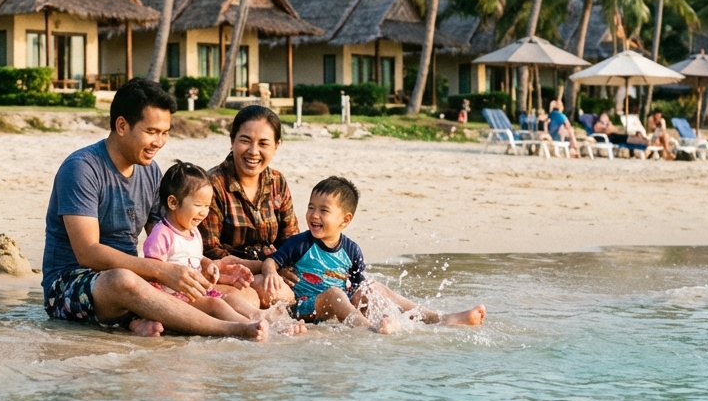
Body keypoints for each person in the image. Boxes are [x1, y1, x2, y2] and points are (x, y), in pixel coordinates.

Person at [42, 78, 267, 340]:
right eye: (151, 132)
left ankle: (139, 320)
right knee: (122, 281)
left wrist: (205, 265)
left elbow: (168, 234)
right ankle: (230, 330)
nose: (159, 142)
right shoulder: (82, 168)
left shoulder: (150, 171)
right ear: (122, 125)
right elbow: (87, 253)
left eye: (165, 133)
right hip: (70, 286)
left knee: (234, 293)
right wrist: (160, 271)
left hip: (138, 278)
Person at [258, 176, 486, 332]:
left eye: (323, 210)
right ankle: (370, 330)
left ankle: (439, 319)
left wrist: (368, 299)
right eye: (311, 207)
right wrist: (271, 274)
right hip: (306, 306)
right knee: (335, 293)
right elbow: (272, 260)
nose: (314, 215)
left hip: (341, 305)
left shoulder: (351, 249)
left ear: (345, 220)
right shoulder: (301, 243)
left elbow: (357, 287)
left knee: (371, 287)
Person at [142, 161, 278, 326]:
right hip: (174, 300)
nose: (204, 212)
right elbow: (152, 271)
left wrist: (208, 264)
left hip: (194, 293)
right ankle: (246, 326)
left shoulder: (193, 231)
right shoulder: (162, 234)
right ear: (173, 203)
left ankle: (263, 316)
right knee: (216, 304)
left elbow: (195, 257)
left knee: (231, 298)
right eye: (198, 205)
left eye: (207, 206)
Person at [199, 105, 300, 311]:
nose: (253, 152)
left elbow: (291, 241)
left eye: (263, 143)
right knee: (268, 297)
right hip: (227, 276)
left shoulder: (277, 182)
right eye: (245, 141)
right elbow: (209, 250)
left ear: (276, 145)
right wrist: (264, 261)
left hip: (272, 271)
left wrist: (280, 267)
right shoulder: (212, 184)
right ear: (232, 141)